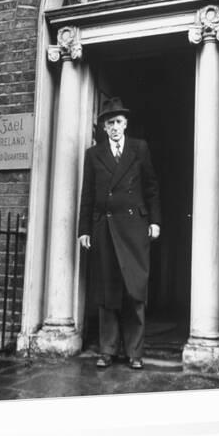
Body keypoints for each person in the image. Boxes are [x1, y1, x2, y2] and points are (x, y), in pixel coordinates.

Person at [78, 97, 161, 369]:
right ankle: (107, 350)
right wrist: (84, 230)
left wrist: (155, 221)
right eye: (109, 123)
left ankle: (135, 353)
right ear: (103, 127)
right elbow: (87, 194)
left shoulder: (140, 148)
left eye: (118, 122)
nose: (114, 127)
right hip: (105, 228)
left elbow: (151, 187)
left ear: (125, 124)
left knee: (134, 290)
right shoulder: (93, 154)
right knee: (107, 292)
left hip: (135, 228)